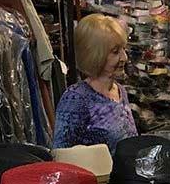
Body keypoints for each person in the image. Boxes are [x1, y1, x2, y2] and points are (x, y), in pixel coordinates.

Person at [54, 14, 137, 152]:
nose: (124, 57)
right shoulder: (76, 99)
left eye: (124, 49)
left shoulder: (120, 91)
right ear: (95, 54)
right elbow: (61, 155)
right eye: (115, 52)